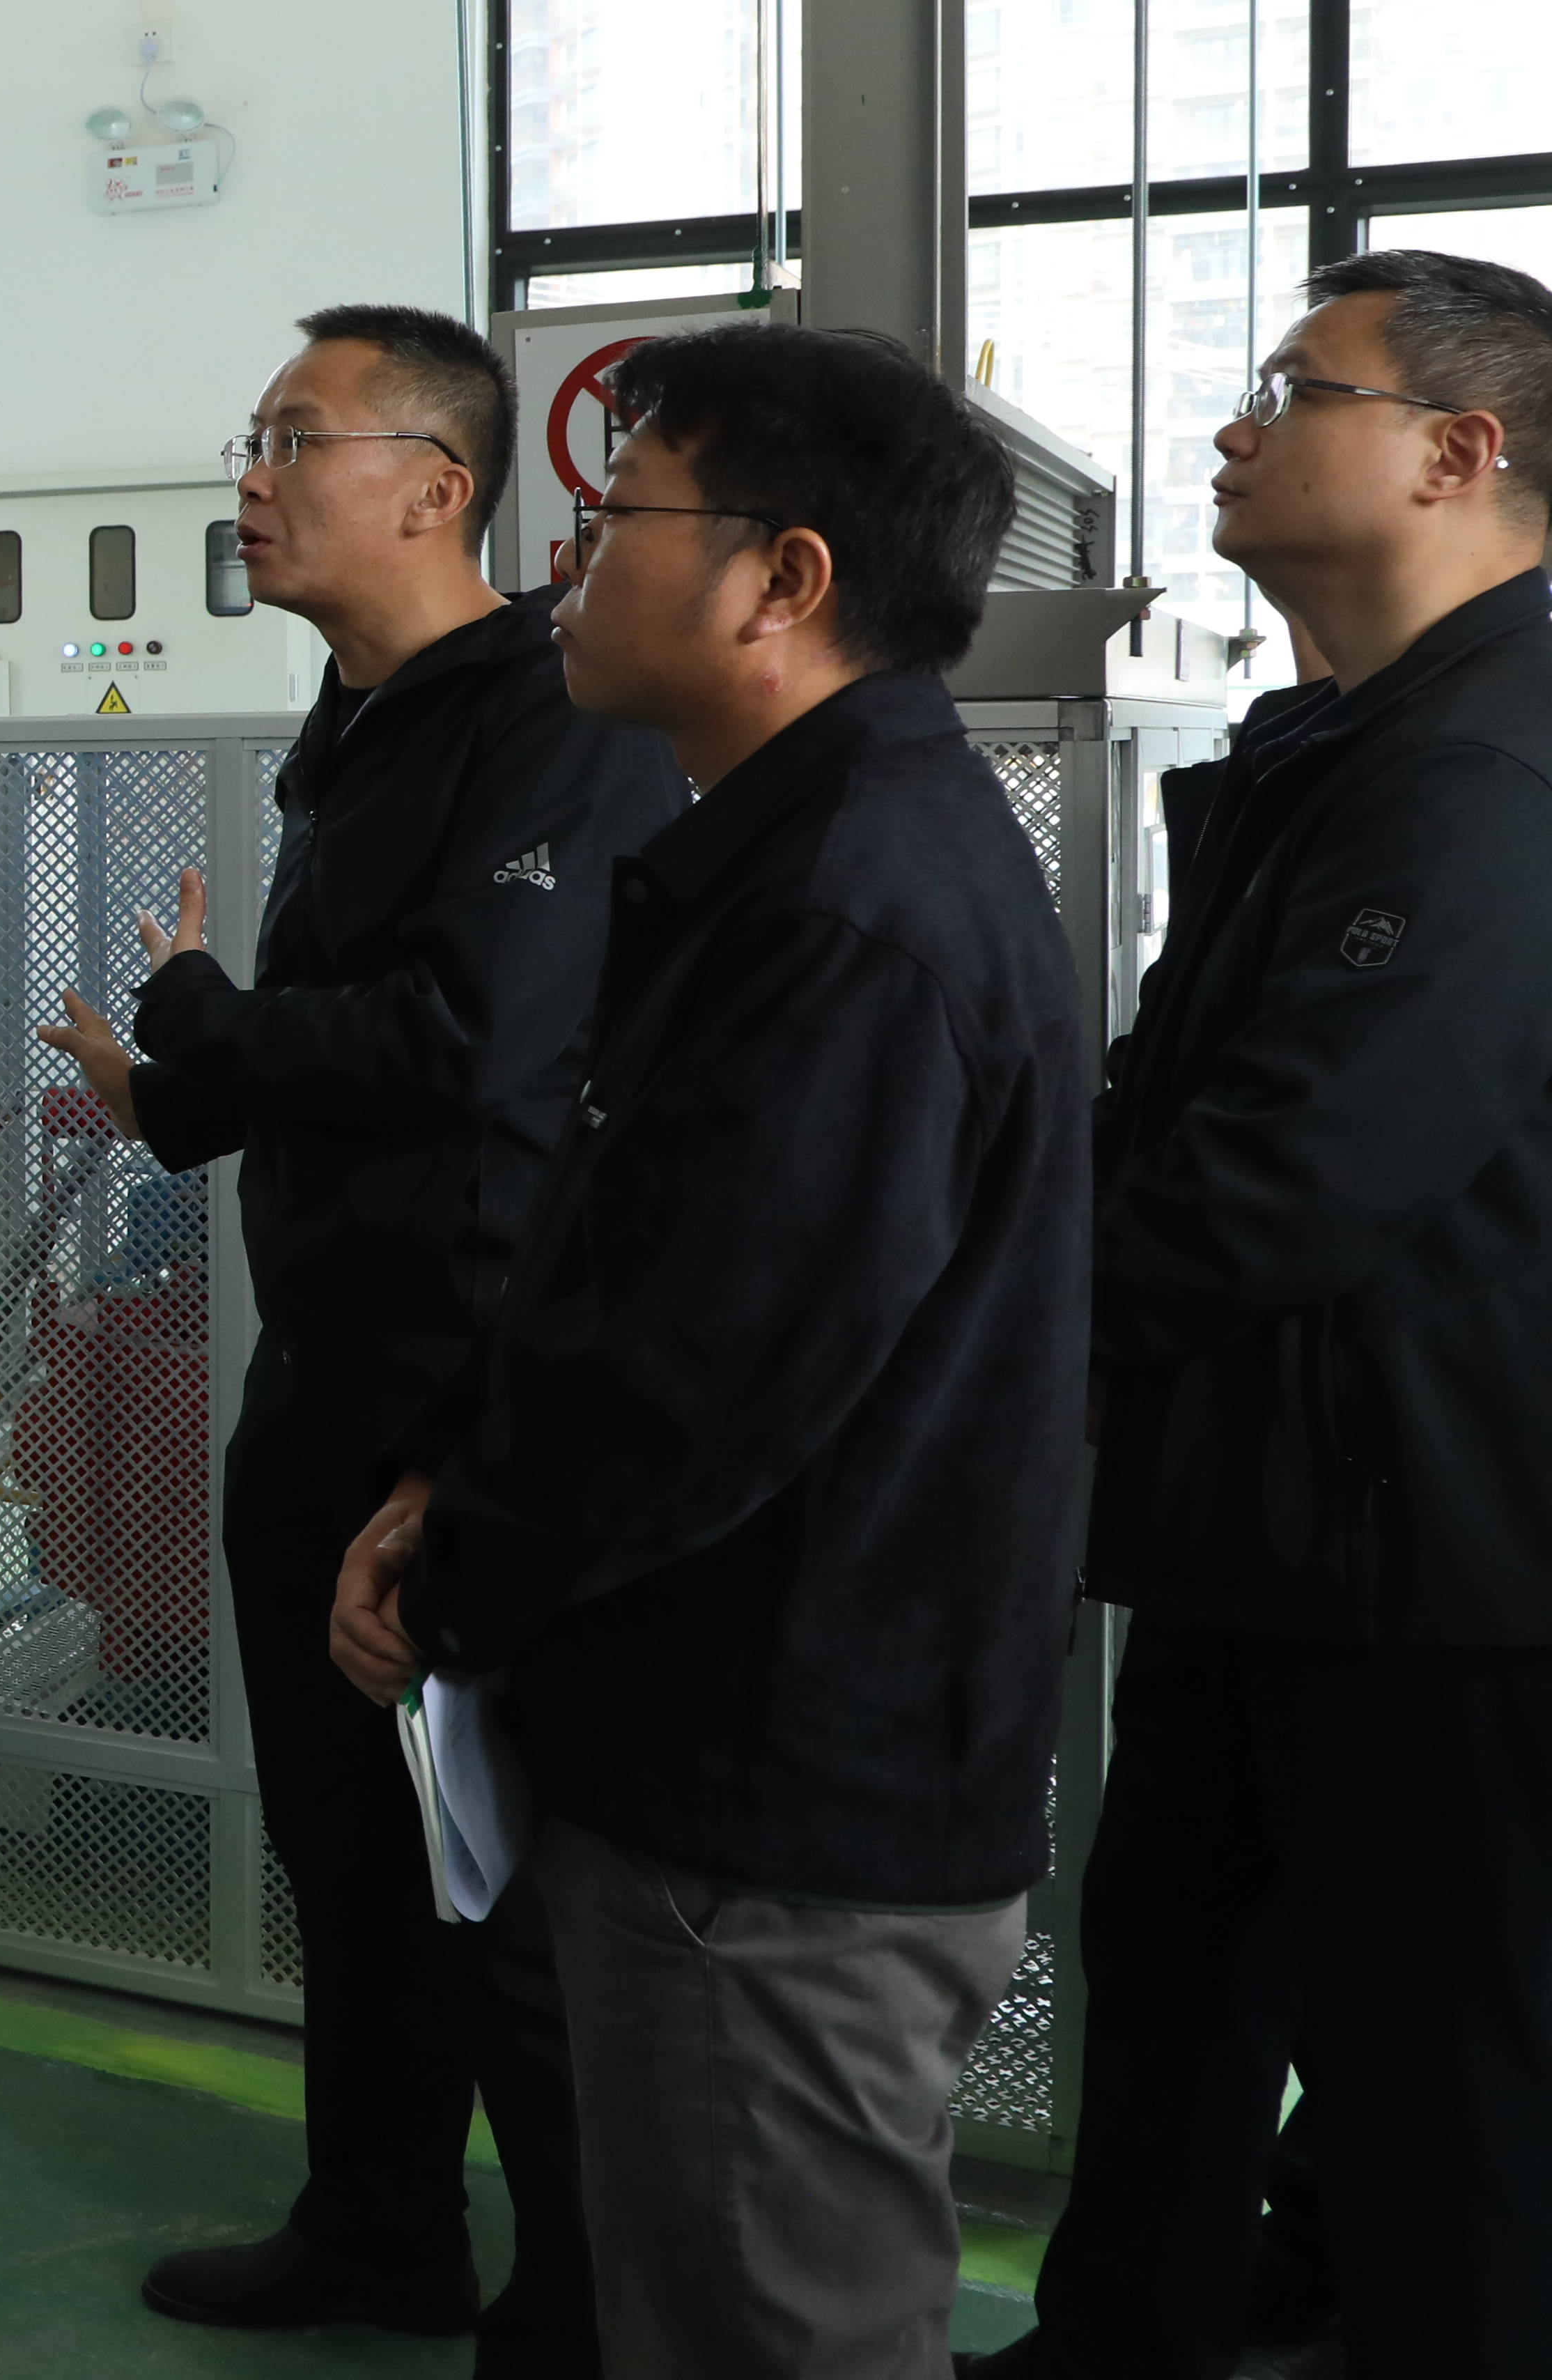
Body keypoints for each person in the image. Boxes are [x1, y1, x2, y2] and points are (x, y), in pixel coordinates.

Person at [329, 320, 1084, 2380]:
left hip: (782, 1805)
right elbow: (637, 1266)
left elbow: (703, 1375)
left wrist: (460, 1576)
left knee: (771, 2326)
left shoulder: (847, 908)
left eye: (621, 517)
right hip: (733, 1751)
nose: (567, 560)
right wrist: (450, 1478)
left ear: (783, 580)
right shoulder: (784, 854)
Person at [36, 307, 678, 2376]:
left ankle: (580, 2313)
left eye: (295, 438)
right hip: (316, 1381)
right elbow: (345, 1055)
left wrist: (211, 1020)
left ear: (435, 486)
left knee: (495, 1887)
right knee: (347, 1848)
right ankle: (380, 2226)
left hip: (457, 1405)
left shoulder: (552, 714)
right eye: (256, 436)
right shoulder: (355, 719)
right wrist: (178, 1091)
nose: (252, 477)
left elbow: (478, 1039)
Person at [969, 249, 1552, 2377]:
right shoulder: (1342, 742)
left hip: (1432, 1557)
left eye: (1296, 393)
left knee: (1440, 2087)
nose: (1235, 429)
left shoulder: (1489, 767)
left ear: (1458, 452)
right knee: (1178, 1980)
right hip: (1273, 1521)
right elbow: (1172, 1107)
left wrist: (998, 1343)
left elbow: (1298, 1171)